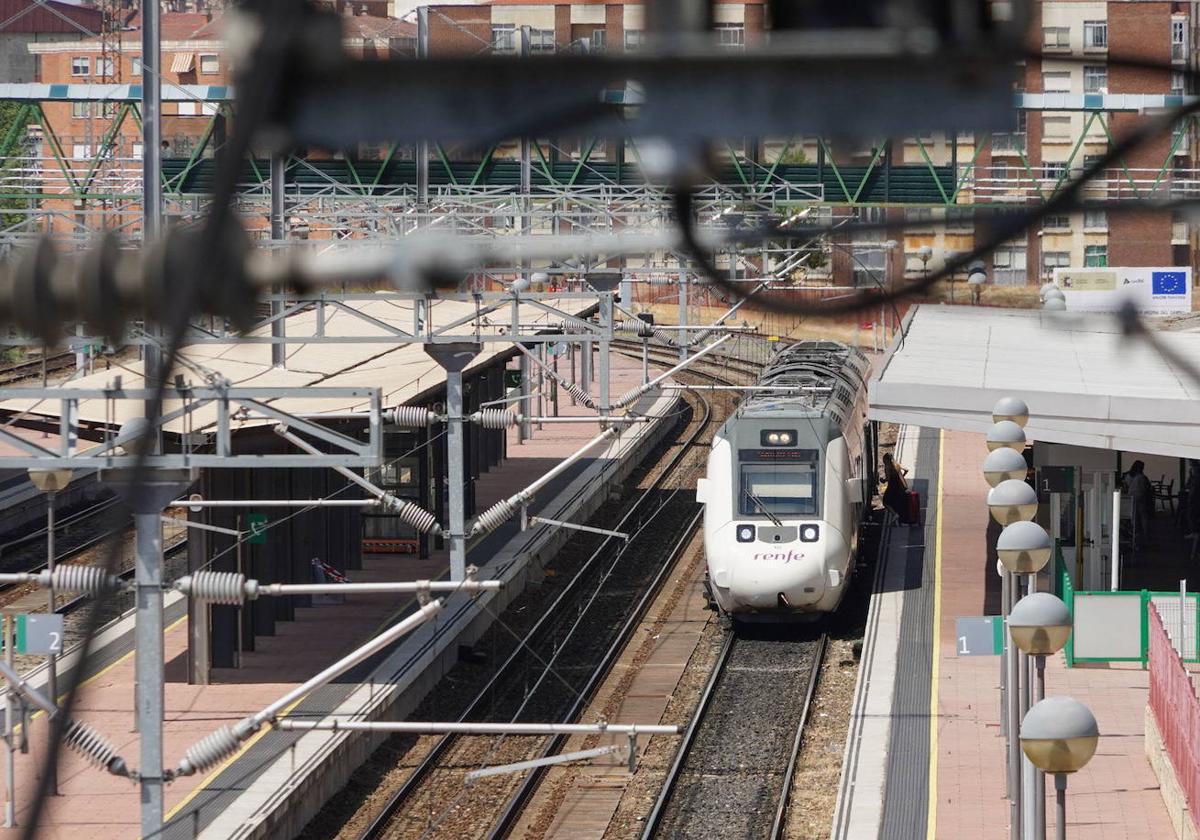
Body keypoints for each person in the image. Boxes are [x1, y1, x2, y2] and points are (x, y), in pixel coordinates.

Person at [1123, 460, 1154, 551]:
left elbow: (1126, 486)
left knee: (1134, 517)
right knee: (1143, 516)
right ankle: (1145, 534)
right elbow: (1147, 488)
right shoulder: (1142, 477)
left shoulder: (1129, 476)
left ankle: (1135, 533)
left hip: (1131, 497)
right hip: (1141, 497)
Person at [881, 452, 910, 523]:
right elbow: (906, 470)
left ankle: (895, 514)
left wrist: (883, 480)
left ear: (886, 460)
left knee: (885, 502)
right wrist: (902, 476)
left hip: (893, 487)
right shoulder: (897, 464)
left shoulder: (888, 467)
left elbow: (888, 478)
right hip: (902, 486)